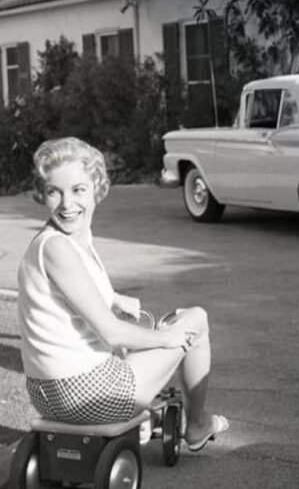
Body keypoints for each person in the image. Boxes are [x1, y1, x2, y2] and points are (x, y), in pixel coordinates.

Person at [17, 137, 228, 451]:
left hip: (47, 396)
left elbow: (66, 291)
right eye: (54, 192)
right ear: (41, 194)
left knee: (146, 335)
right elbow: (113, 333)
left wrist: (112, 298)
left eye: (77, 190)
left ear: (96, 189)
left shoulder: (58, 240)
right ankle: (196, 426)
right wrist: (168, 339)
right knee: (195, 320)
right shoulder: (59, 247)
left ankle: (149, 417)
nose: (67, 204)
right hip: (90, 395)